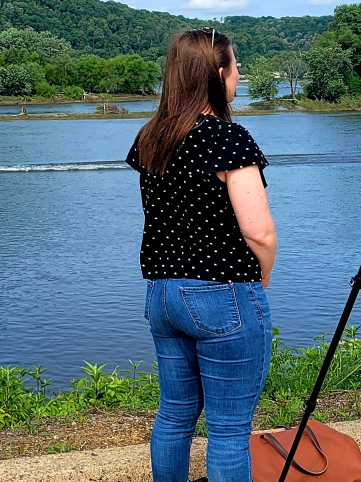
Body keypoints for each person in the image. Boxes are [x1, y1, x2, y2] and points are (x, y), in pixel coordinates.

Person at [127, 28, 275, 482]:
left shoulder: (152, 136)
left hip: (163, 295)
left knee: (174, 416)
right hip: (221, 294)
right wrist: (259, 283)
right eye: (235, 65)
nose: (239, 73)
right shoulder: (228, 138)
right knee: (229, 429)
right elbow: (260, 233)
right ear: (217, 72)